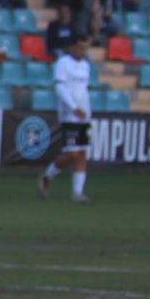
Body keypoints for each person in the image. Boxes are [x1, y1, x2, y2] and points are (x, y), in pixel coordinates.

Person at [38, 34, 93, 205]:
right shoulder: (63, 63)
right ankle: (47, 176)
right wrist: (73, 107)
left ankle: (77, 193)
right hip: (70, 114)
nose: (83, 51)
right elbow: (60, 87)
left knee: (82, 153)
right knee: (73, 153)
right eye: (80, 47)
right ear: (71, 47)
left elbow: (83, 90)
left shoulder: (85, 65)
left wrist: (86, 110)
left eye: (86, 48)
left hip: (84, 114)